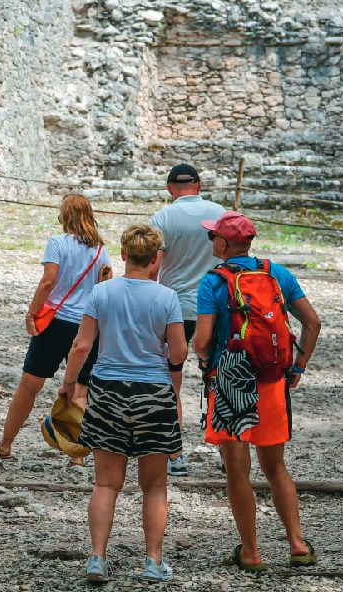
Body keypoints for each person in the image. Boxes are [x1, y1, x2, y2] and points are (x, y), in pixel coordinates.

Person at [58, 224, 188, 584]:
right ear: (156, 258)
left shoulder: (102, 292)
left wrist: (69, 384)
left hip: (108, 391)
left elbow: (82, 345)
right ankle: (153, 561)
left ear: (124, 254)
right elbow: (179, 351)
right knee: (155, 486)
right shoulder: (167, 298)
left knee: (105, 484)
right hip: (153, 393)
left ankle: (97, 558)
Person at [194, 211, 321, 572]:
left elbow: (203, 340)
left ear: (222, 243)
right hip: (271, 380)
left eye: (213, 238)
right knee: (276, 467)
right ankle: (297, 544)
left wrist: (206, 366)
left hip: (231, 381)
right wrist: (297, 366)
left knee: (237, 470)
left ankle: (250, 552)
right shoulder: (276, 274)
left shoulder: (213, 282)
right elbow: (312, 322)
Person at [0, 193, 110, 460]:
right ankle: (76, 452)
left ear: (64, 216)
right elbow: (105, 286)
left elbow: (48, 281)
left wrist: (32, 313)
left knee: (29, 385)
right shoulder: (101, 250)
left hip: (56, 323)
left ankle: (6, 443)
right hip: (87, 326)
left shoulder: (58, 243)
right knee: (80, 389)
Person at [148, 163, 224, 477]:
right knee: (218, 381)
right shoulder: (219, 212)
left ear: (169, 189)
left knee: (171, 383)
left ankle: (175, 455)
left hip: (174, 308)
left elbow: (153, 269)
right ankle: (225, 452)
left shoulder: (162, 218)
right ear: (200, 184)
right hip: (214, 306)